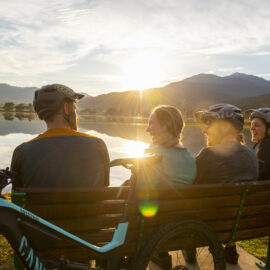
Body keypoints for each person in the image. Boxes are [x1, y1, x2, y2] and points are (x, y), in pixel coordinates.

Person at [194, 103, 258, 265]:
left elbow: (187, 187)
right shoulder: (252, 157)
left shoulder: (208, 154)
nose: (204, 130)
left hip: (208, 223)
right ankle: (230, 248)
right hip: (242, 224)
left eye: (208, 124)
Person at [11, 84, 110, 188]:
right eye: (75, 108)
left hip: (36, 204)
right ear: (66, 108)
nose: (76, 114)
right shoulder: (98, 144)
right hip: (91, 204)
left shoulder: (21, 151)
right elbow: (105, 185)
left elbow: (17, 192)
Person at [144, 105, 196, 187]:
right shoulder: (191, 161)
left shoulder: (153, 156)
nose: (147, 129)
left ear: (166, 125)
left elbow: (137, 189)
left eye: (151, 123)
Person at [245, 108, 270, 180]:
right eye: (251, 124)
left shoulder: (266, 144)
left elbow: (257, 174)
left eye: (256, 125)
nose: (251, 128)